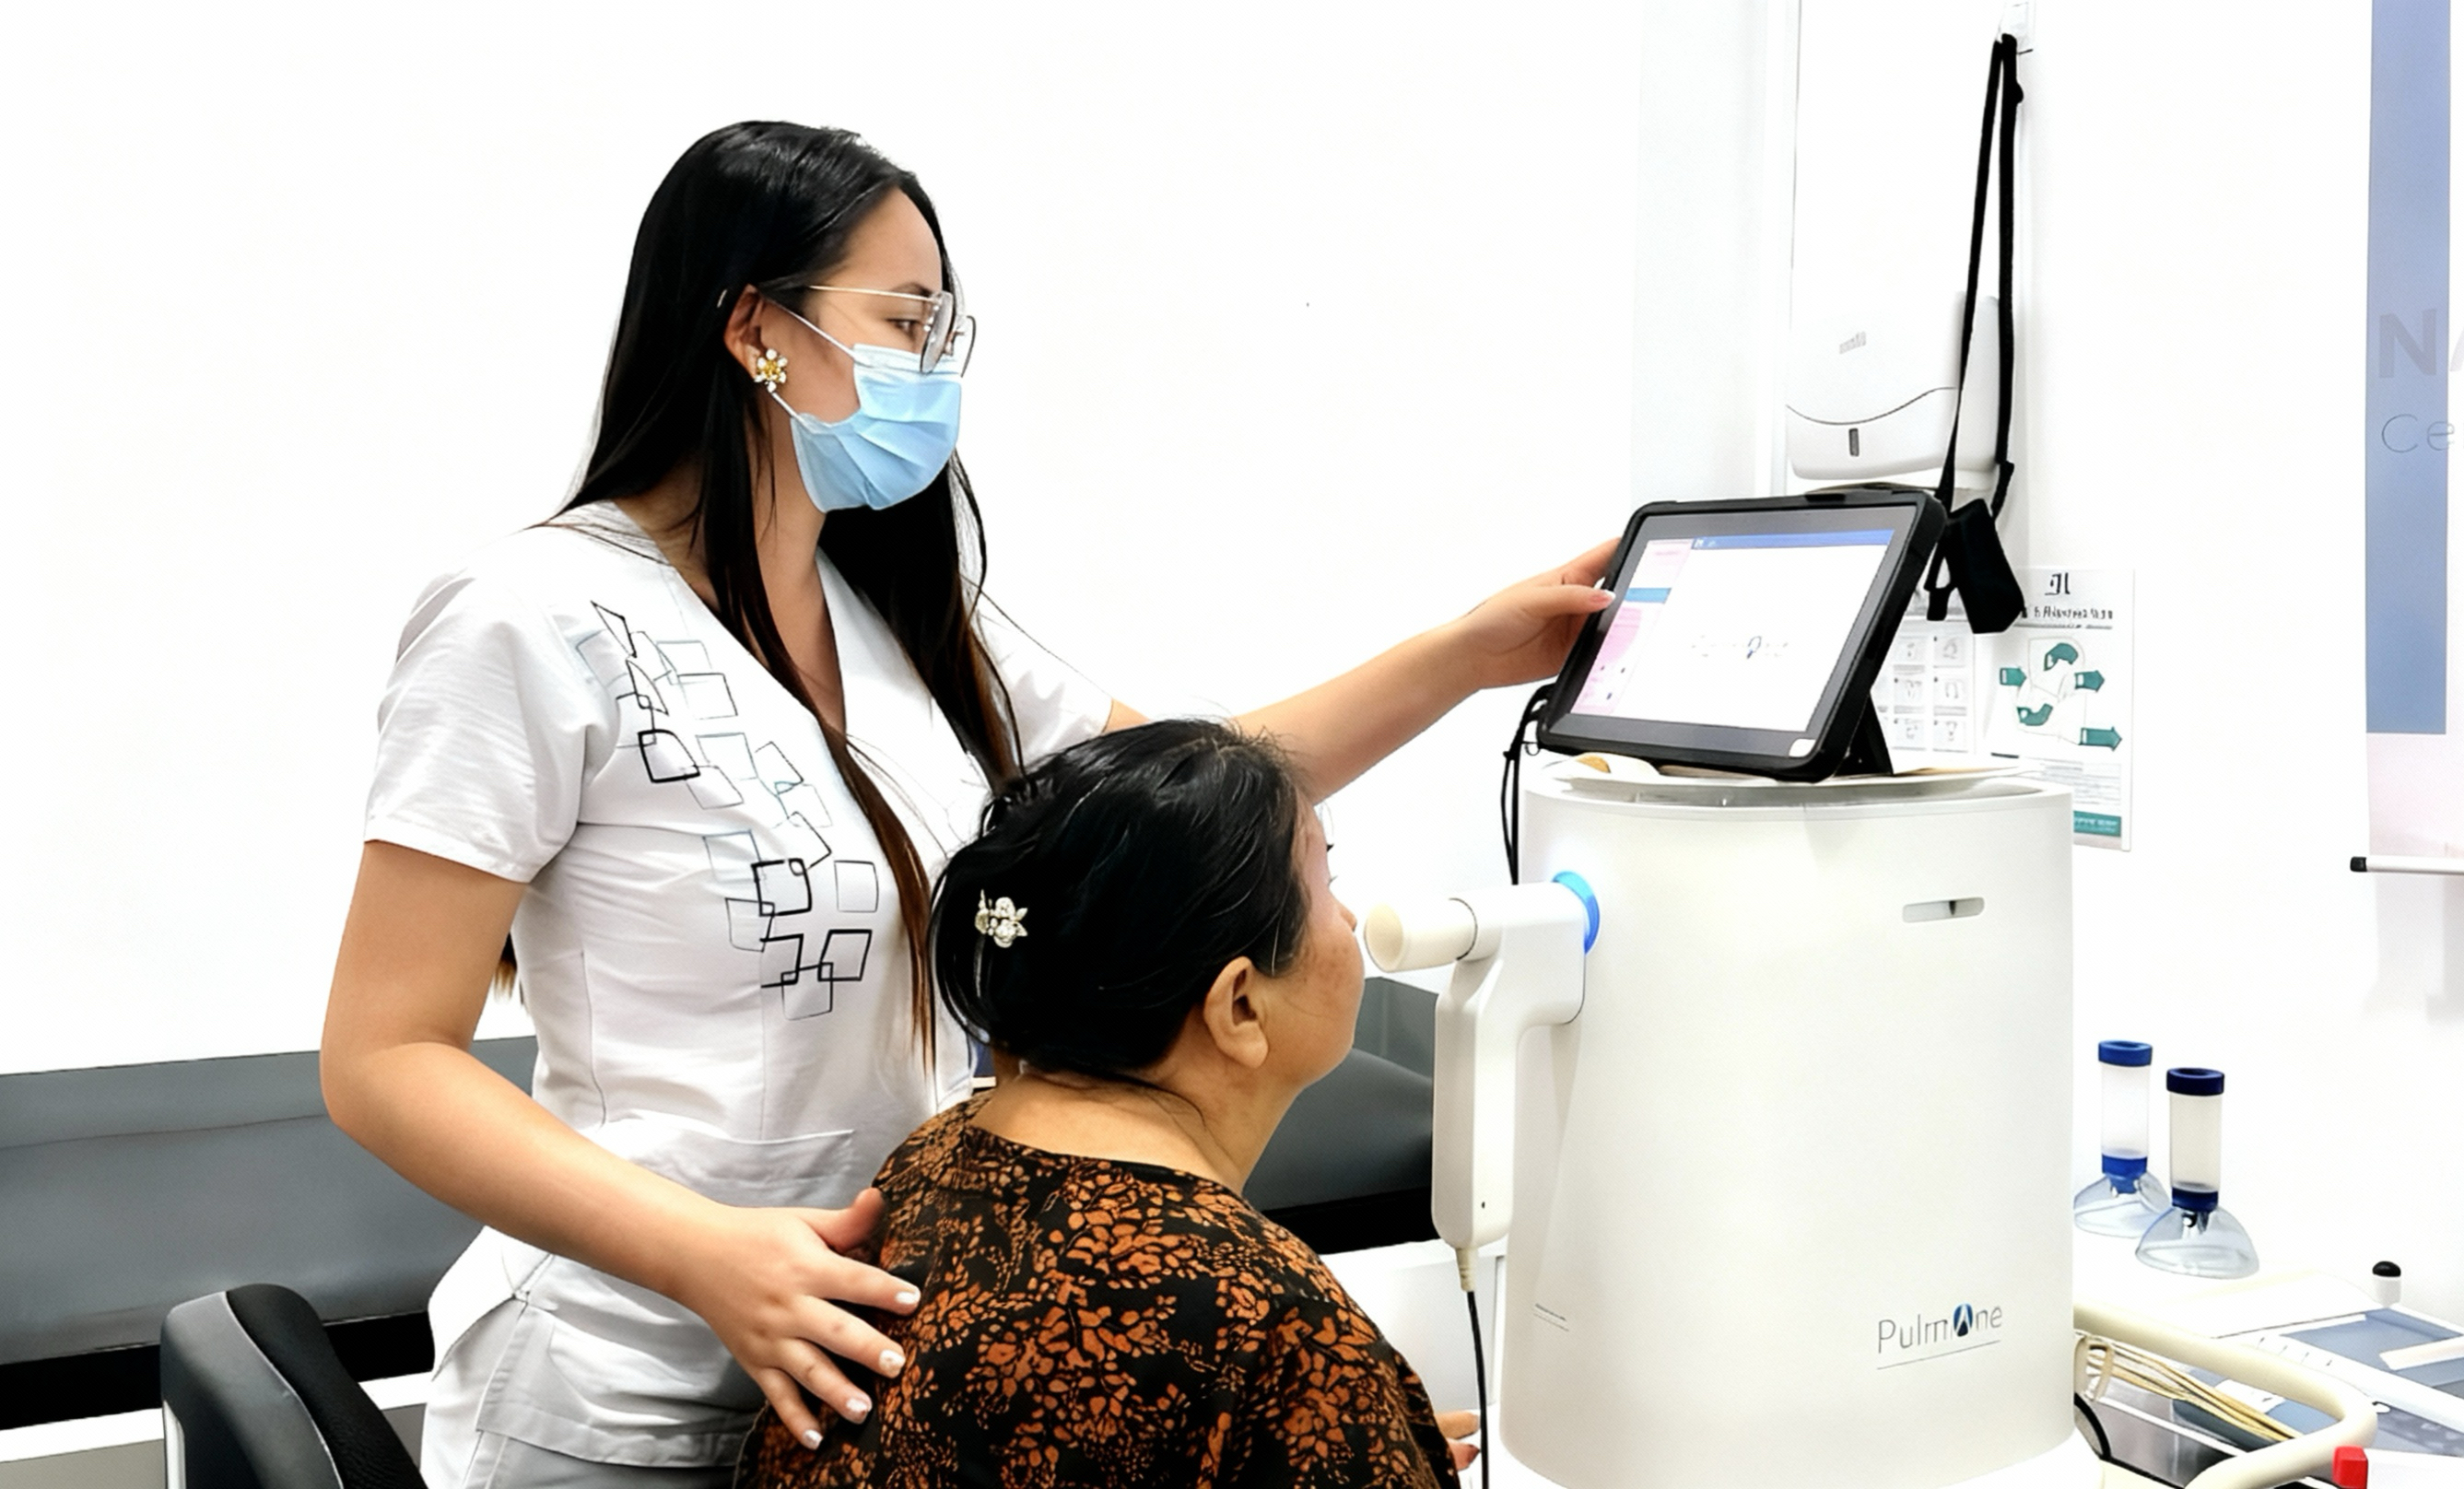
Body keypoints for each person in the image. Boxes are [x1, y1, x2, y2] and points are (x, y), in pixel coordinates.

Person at [320, 119, 1606, 1488]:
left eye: (945, 333)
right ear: (756, 328)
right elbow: (385, 1055)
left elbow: (1191, 798)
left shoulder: (900, 621)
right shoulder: (530, 618)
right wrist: (700, 1253)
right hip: (622, 1389)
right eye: (903, 322)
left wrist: (1471, 655)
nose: (932, 371)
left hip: (866, 1376)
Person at [737, 719, 1470, 1489]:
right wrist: (1344, 1415)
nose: (1349, 922)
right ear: (1240, 1007)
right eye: (1326, 889)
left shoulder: (932, 1159)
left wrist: (1362, 1436)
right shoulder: (1271, 1318)